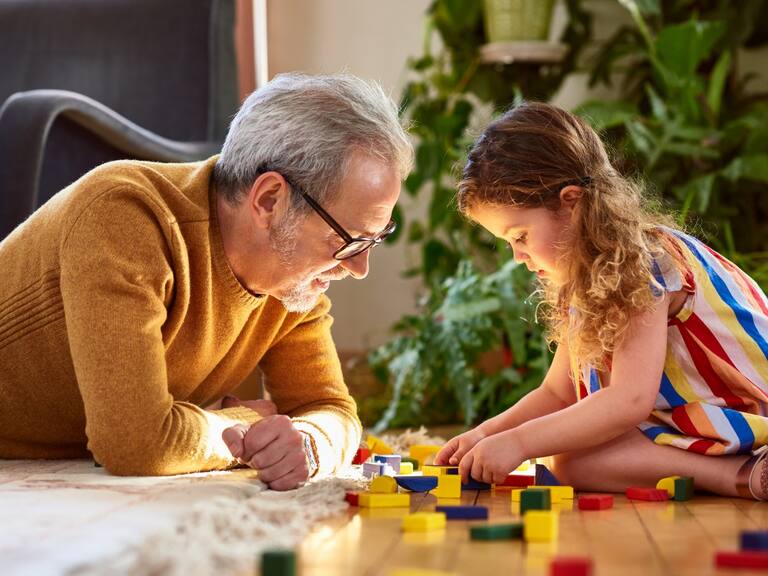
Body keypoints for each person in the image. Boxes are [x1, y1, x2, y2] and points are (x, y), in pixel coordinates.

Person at [0, 73, 413, 490]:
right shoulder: (124, 217)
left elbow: (330, 408)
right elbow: (135, 442)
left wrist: (308, 443)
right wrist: (247, 423)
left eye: (376, 238)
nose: (359, 267)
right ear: (270, 200)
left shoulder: (291, 282)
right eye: (349, 240)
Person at [435, 101, 768, 500]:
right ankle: (737, 472)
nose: (518, 256)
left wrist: (520, 443)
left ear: (571, 203)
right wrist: (487, 433)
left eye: (520, 236)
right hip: (699, 420)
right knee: (573, 462)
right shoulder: (584, 276)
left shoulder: (642, 263)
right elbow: (557, 394)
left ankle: (744, 474)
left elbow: (628, 400)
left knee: (572, 456)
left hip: (748, 411)